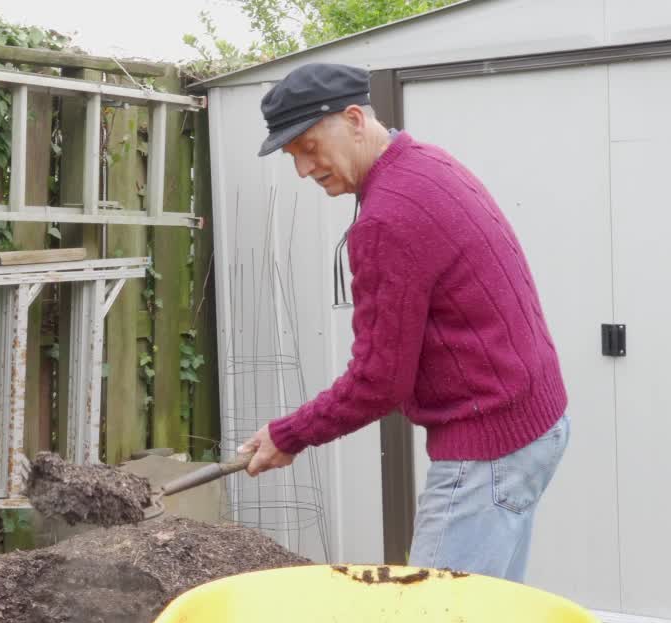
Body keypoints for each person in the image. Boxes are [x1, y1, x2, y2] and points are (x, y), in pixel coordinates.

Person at [237, 62, 570, 583]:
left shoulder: (388, 219)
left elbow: (379, 381)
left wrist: (290, 434)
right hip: (534, 422)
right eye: (291, 156)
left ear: (352, 119)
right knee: (488, 618)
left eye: (307, 146)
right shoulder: (426, 162)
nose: (303, 168)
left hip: (490, 449)